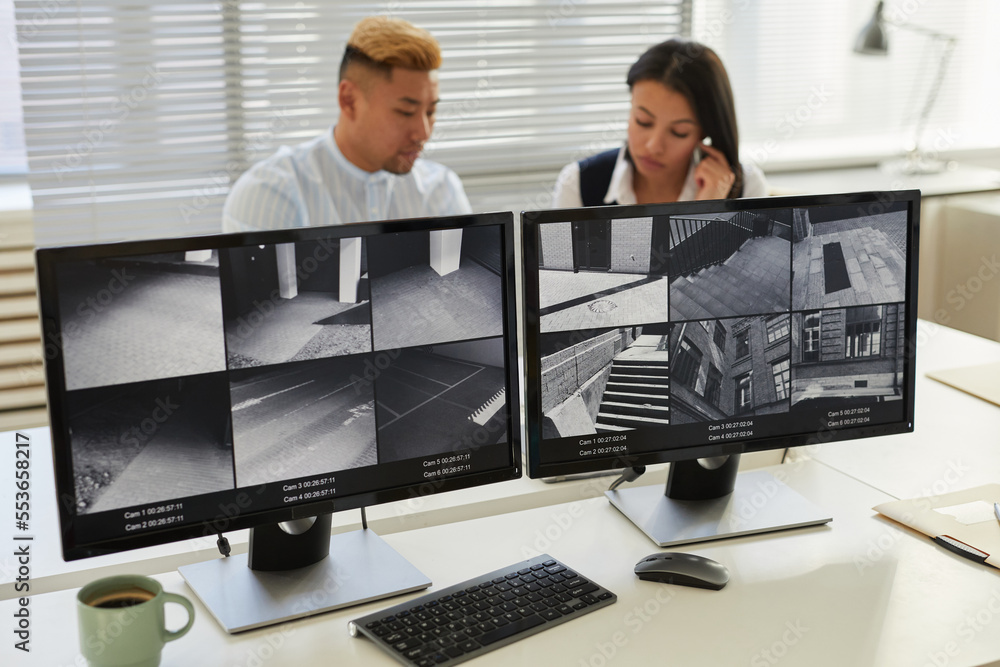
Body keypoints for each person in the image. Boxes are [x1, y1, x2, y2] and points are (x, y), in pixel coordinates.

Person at [223, 16, 470, 232]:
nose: (423, 132)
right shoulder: (269, 194)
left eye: (431, 110)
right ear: (349, 100)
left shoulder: (442, 191)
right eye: (406, 112)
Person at [553, 39, 767, 208]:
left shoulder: (746, 187)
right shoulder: (578, 183)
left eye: (679, 132)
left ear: (705, 132)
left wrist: (709, 209)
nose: (653, 146)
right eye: (643, 122)